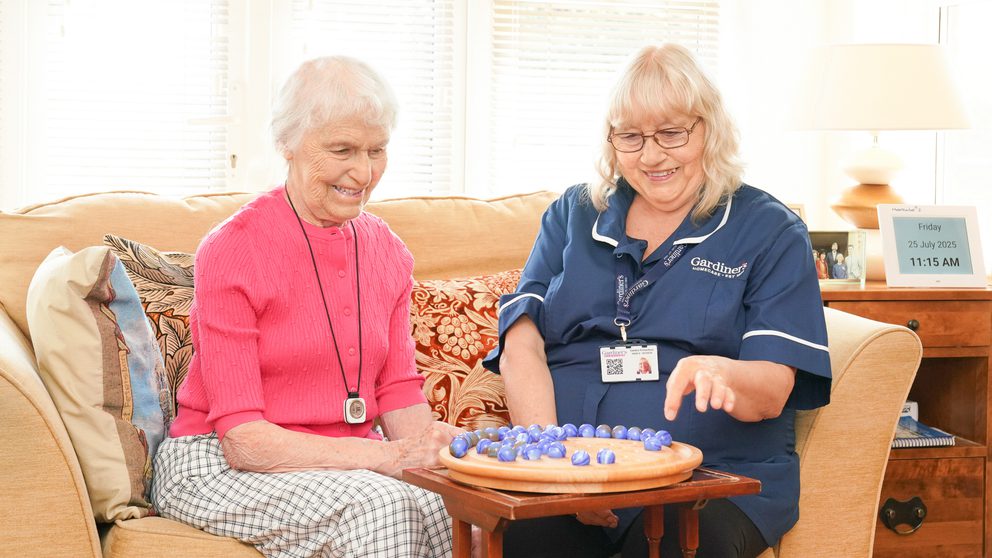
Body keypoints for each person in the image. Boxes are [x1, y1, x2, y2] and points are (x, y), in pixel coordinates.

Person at [483, 44, 831, 558]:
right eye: (631, 137)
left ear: (709, 128)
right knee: (528, 542)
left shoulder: (770, 230)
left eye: (672, 133)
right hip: (579, 474)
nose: (651, 156)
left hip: (709, 479)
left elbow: (773, 390)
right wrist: (556, 471)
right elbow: (521, 344)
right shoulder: (574, 214)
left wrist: (723, 374)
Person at [150, 56, 462, 558]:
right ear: (287, 143)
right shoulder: (233, 249)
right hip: (218, 464)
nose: (363, 172)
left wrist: (436, 457)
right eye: (342, 150)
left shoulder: (388, 250)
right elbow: (244, 441)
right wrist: (386, 457)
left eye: (376, 150)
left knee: (450, 503)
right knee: (383, 506)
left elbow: (397, 392)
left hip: (345, 464)